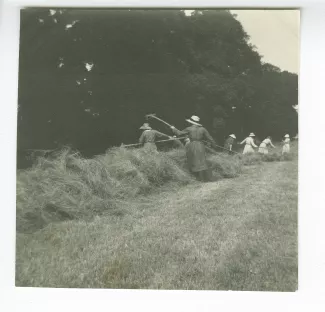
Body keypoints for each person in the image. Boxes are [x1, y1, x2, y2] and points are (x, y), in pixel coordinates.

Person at [170, 115, 216, 182]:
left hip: (192, 146)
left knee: (194, 161)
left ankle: (199, 178)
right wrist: (214, 145)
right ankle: (204, 178)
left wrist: (173, 128)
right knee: (202, 160)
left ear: (191, 122)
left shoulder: (189, 128)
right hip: (200, 145)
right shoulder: (203, 129)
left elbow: (179, 133)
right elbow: (209, 138)